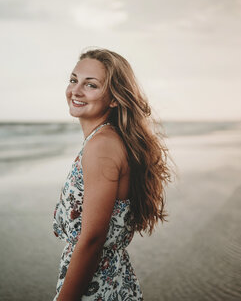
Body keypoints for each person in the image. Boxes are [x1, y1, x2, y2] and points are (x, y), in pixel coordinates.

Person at [52, 47, 173, 300]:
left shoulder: (101, 147)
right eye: (74, 80)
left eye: (91, 85)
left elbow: (93, 240)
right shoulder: (108, 139)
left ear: (114, 98)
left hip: (96, 287)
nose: (76, 90)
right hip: (114, 278)